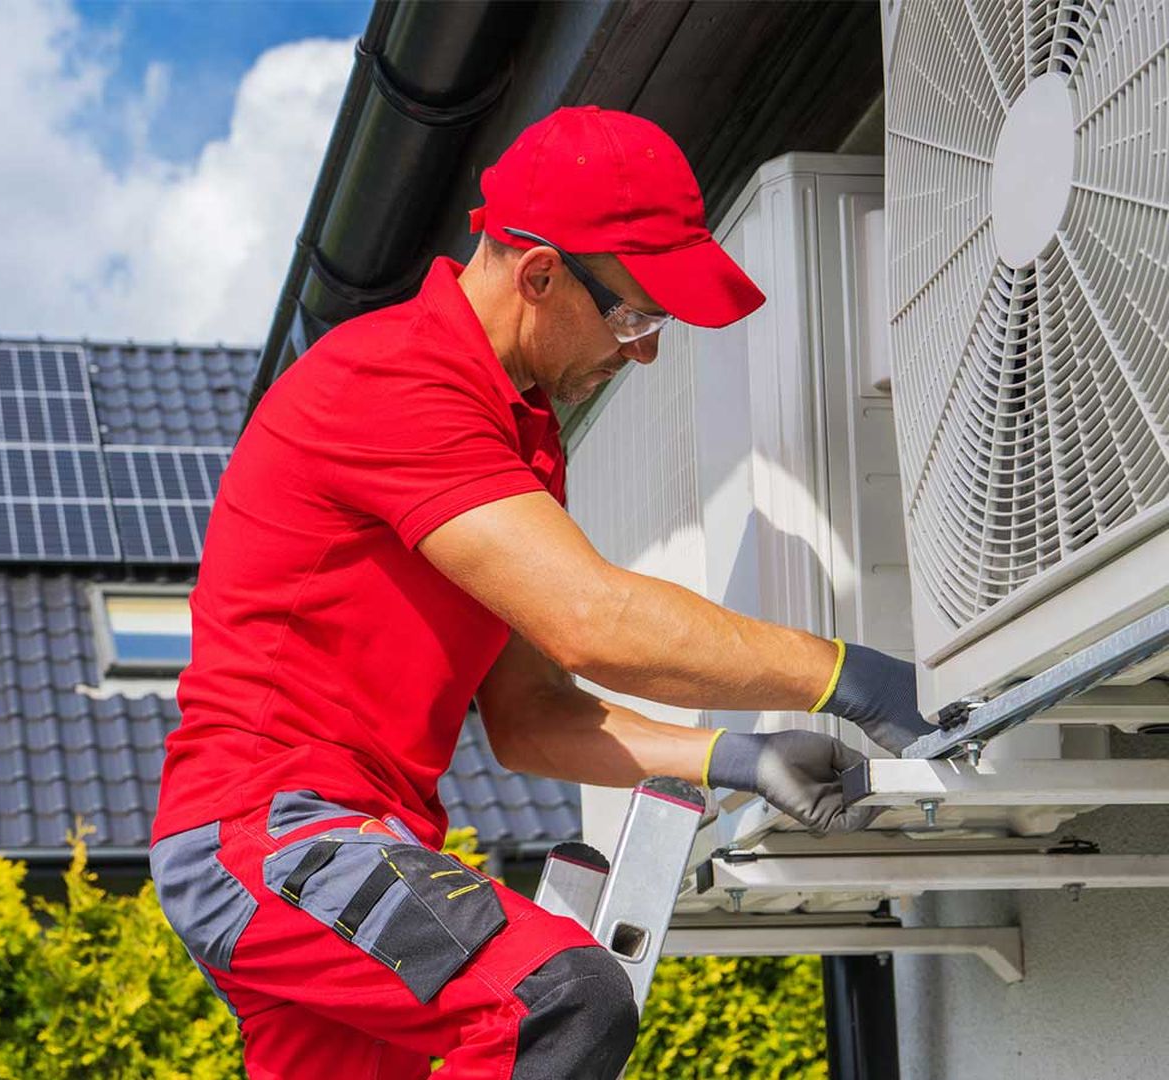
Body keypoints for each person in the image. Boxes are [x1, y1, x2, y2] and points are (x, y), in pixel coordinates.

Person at [150, 105, 934, 1080]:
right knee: (557, 1000)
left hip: (350, 836)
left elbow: (531, 717)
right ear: (539, 274)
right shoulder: (399, 381)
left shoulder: (515, 434)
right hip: (272, 831)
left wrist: (739, 755)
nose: (643, 352)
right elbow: (591, 622)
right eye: (635, 316)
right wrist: (851, 676)